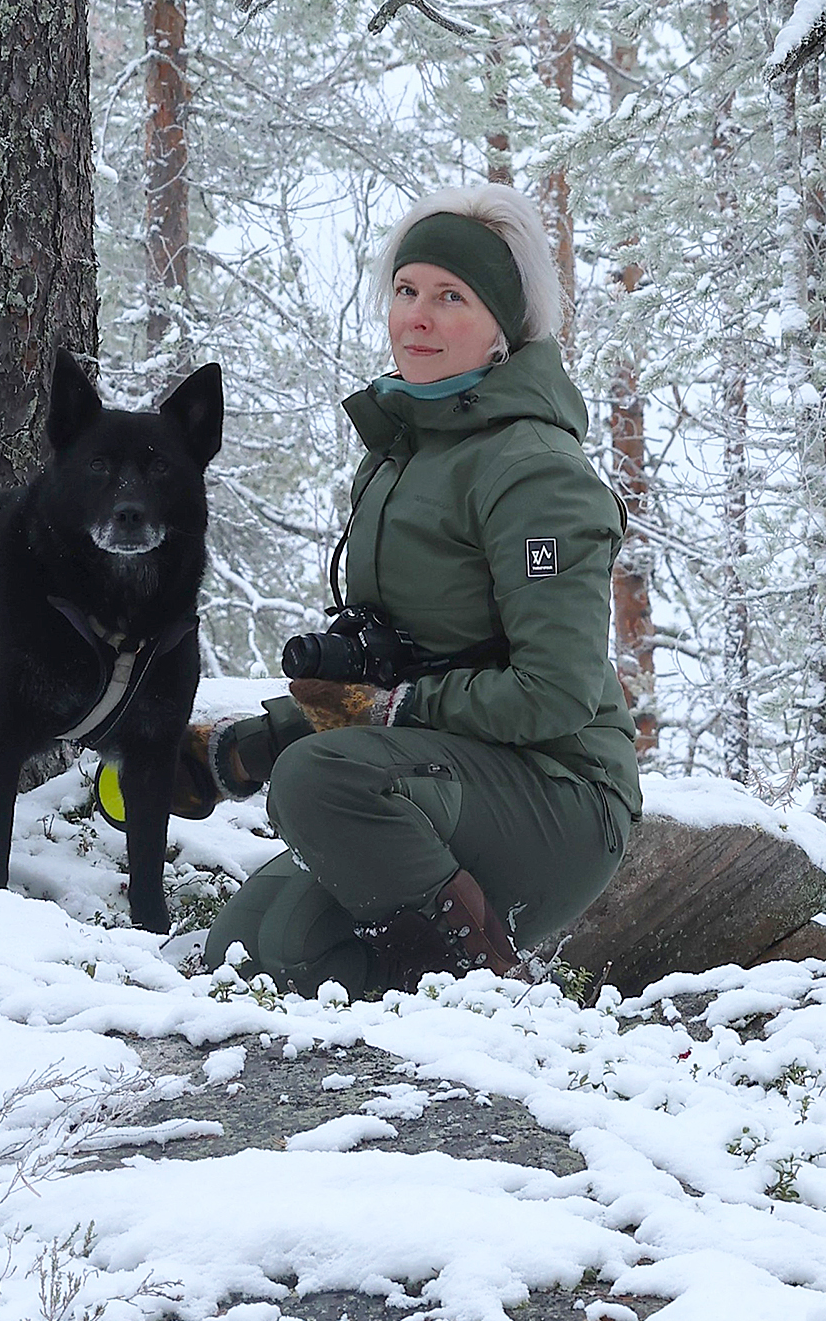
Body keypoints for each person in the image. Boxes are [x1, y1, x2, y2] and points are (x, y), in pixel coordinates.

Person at [196, 183, 641, 998]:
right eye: (406, 291)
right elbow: (402, 674)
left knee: (319, 778)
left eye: (450, 297)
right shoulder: (405, 453)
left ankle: (483, 986)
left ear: (503, 328)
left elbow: (554, 695)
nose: (418, 318)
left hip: (560, 799)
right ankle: (399, 1015)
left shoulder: (535, 471)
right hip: (443, 785)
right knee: (257, 947)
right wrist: (246, 746)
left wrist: (370, 720)